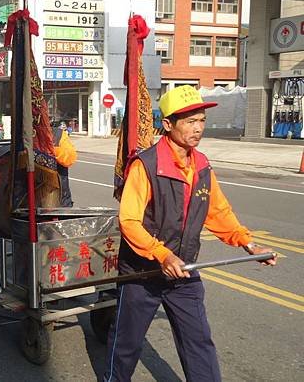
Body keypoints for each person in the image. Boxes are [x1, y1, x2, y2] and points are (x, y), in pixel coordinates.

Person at [103, 85, 276, 382]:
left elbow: (218, 212)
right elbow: (129, 220)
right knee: (127, 344)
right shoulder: (146, 165)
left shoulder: (202, 165)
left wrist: (248, 243)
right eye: (189, 121)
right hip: (143, 272)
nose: (197, 129)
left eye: (201, 121)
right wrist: (161, 254)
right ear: (168, 125)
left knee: (198, 342)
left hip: (184, 271)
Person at [53, 122, 77, 207]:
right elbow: (69, 159)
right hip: (59, 201)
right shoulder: (58, 134)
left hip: (59, 197)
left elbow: (69, 158)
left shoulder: (58, 134)